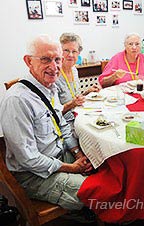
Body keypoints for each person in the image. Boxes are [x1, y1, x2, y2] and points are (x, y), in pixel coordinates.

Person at [0, 35, 93, 211]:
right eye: (45, 59)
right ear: (28, 61)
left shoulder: (50, 87)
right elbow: (28, 159)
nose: (54, 66)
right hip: (33, 175)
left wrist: (77, 153)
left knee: (100, 164)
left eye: (57, 59)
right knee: (95, 189)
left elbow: (63, 125)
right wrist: (71, 168)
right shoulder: (17, 100)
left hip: (57, 155)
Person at [56, 33, 100, 128]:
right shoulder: (54, 75)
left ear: (78, 53)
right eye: (66, 50)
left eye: (74, 51)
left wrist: (87, 92)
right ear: (59, 52)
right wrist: (72, 104)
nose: (70, 55)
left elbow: (75, 98)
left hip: (79, 116)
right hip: (65, 123)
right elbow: (53, 113)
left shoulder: (74, 70)